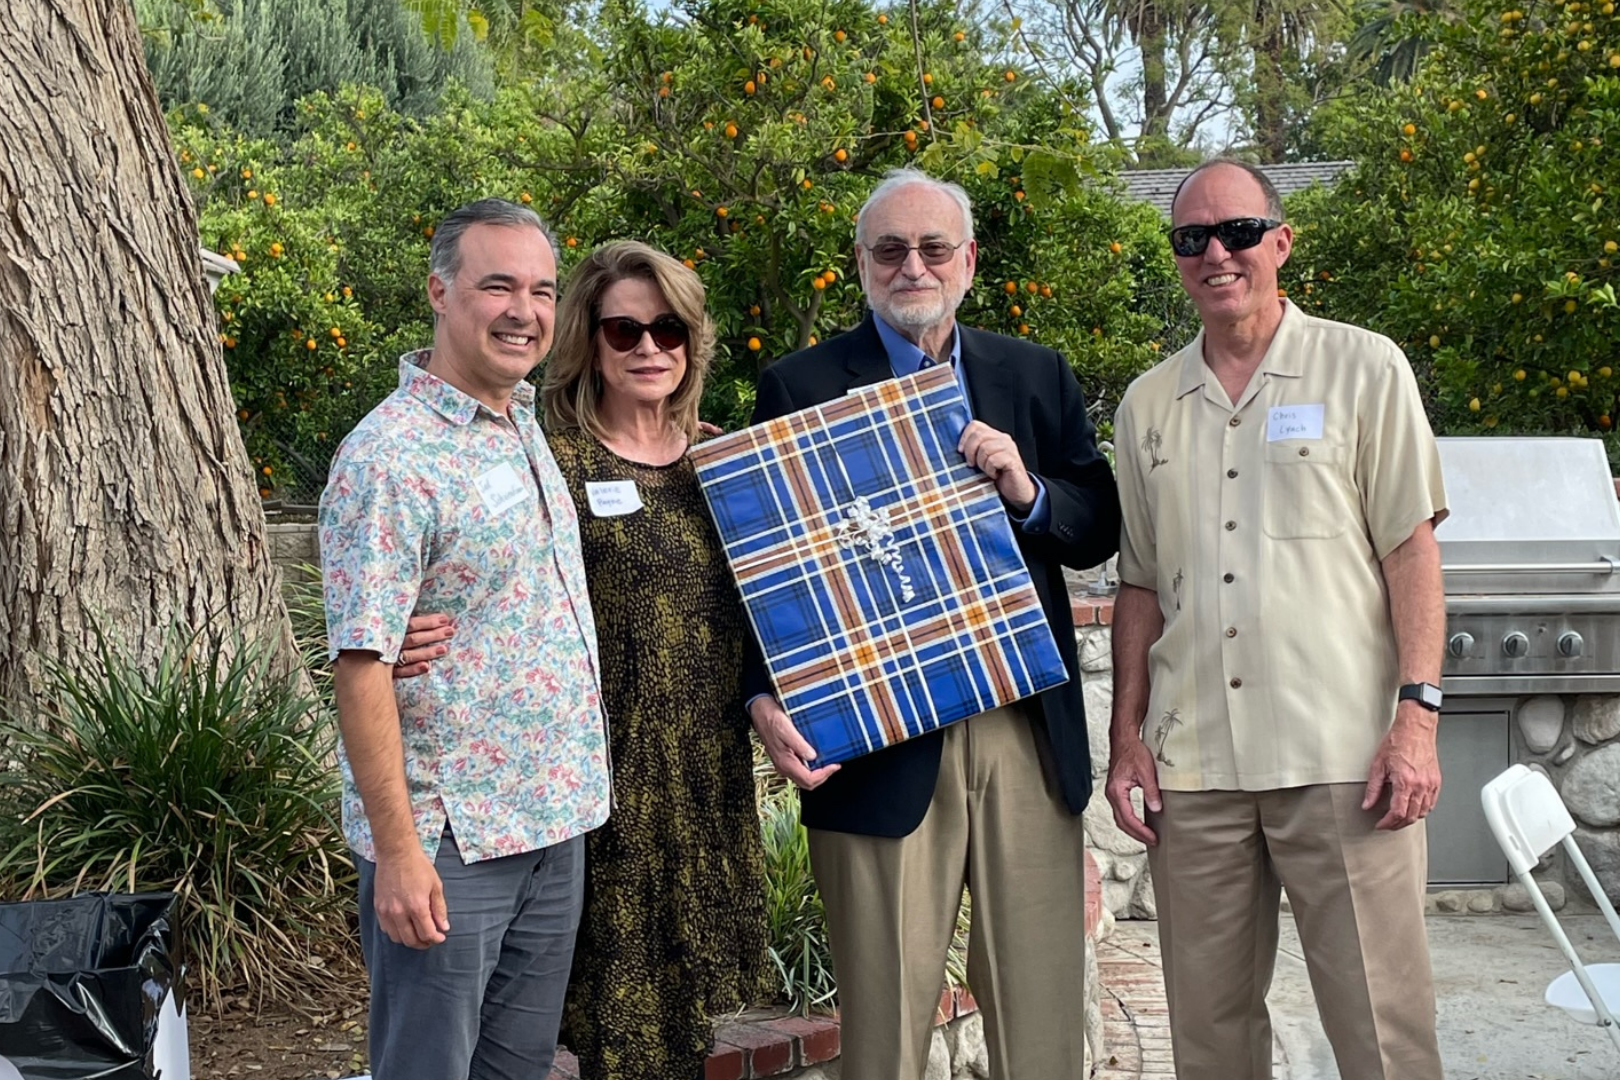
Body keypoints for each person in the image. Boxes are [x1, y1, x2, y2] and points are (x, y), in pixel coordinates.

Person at [744, 168, 1121, 1080]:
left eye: (933, 248)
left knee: (1040, 1022)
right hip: (875, 740)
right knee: (884, 1034)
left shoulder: (1033, 375)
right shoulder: (798, 385)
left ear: (969, 261)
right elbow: (760, 563)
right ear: (863, 264)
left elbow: (1097, 523)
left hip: (1020, 729)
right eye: (890, 249)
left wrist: (1026, 488)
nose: (912, 266)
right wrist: (763, 698)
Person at [1105, 158, 1448, 1080]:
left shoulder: (1365, 368)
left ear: (1281, 242)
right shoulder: (1145, 405)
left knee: (1384, 1033)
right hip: (1197, 769)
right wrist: (1126, 738)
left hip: (1345, 759)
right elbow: (1140, 584)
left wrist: (1416, 719)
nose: (1216, 253)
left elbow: (1411, 552)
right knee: (1209, 1042)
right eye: (1192, 239)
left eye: (1238, 233)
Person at [397, 241, 771, 1080]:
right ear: (588, 341)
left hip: (699, 778)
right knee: (607, 1025)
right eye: (624, 330)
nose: (648, 349)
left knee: (678, 1022)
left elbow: (774, 613)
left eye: (668, 329)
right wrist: (397, 638)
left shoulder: (723, 462)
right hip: (592, 789)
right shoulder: (547, 460)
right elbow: (463, 563)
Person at [319, 197, 609, 1080]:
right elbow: (361, 666)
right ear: (440, 293)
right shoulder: (389, 458)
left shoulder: (521, 421)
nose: (524, 311)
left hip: (550, 817)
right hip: (450, 841)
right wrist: (400, 856)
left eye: (542, 290)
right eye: (498, 286)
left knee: (514, 1071)